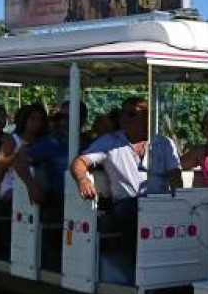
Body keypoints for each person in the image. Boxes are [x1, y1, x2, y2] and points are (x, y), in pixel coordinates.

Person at [70, 98, 182, 242]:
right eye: (122, 113)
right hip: (127, 203)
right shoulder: (109, 141)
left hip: (158, 202)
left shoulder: (165, 143)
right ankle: (136, 261)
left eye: (131, 114)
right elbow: (80, 161)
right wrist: (82, 179)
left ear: (147, 117)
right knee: (132, 211)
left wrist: (178, 202)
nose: (124, 118)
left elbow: (175, 176)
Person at [0, 104, 49, 204]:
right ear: (25, 120)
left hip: (40, 184)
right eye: (32, 118)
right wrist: (16, 155)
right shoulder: (12, 139)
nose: (36, 123)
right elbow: (0, 164)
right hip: (13, 184)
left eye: (40, 119)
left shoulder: (45, 141)